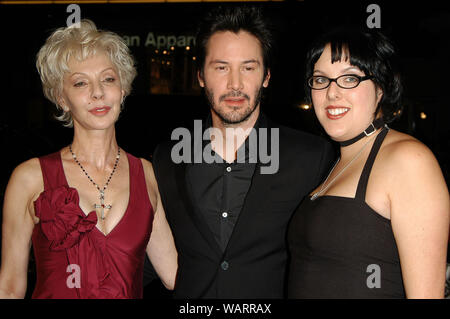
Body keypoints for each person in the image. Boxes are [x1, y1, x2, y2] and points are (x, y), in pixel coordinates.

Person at [150, 6, 335, 298]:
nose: (235, 84)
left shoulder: (312, 158)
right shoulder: (165, 160)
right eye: (221, 67)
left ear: (266, 76)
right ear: (200, 76)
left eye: (248, 68)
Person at [0, 20, 177, 299]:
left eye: (108, 79)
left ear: (123, 89)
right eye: (81, 83)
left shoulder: (146, 173)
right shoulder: (29, 178)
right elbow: (9, 288)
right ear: (62, 98)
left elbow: (174, 275)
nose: (98, 92)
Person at [287, 27, 450, 298]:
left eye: (349, 78)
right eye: (321, 79)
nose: (332, 93)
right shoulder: (334, 163)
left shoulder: (408, 160)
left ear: (381, 88)